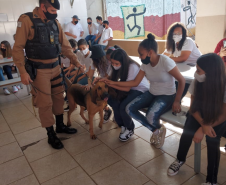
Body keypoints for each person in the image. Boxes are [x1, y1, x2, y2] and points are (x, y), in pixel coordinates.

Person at [13, 0, 85, 150]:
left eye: (56, 11)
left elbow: (65, 46)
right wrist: (22, 71)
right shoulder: (26, 20)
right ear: (43, 7)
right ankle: (50, 134)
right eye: (52, 10)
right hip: (39, 71)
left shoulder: (55, 23)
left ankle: (60, 126)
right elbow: (18, 48)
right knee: (45, 103)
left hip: (56, 67)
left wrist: (76, 61)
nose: (55, 14)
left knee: (59, 98)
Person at [103, 34, 185, 147]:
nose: (140, 57)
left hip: (167, 95)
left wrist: (177, 100)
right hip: (151, 93)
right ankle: (156, 130)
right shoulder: (145, 65)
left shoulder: (166, 62)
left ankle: (157, 129)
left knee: (150, 115)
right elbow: (135, 83)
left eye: (141, 54)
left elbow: (181, 80)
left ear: (150, 52)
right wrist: (113, 82)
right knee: (129, 108)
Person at [167, 53, 226, 185]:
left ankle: (211, 180)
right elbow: (193, 107)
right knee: (188, 130)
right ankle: (180, 159)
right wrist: (203, 125)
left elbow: (223, 114)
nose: (196, 73)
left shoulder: (224, 85)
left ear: (211, 73)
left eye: (198, 70)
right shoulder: (198, 81)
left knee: (212, 139)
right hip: (198, 113)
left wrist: (203, 127)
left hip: (218, 117)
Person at [101, 47, 150, 141]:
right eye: (112, 63)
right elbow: (112, 79)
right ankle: (122, 125)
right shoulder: (115, 66)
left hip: (140, 90)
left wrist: (112, 83)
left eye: (116, 64)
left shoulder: (132, 66)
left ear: (123, 62)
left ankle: (129, 128)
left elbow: (127, 88)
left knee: (124, 106)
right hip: (129, 89)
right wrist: (102, 79)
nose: (114, 65)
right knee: (113, 101)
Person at [163, 22, 201, 100]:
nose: (177, 35)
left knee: (184, 82)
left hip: (197, 66)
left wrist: (166, 59)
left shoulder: (188, 41)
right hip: (184, 66)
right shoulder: (172, 43)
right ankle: (174, 99)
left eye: (179, 33)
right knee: (175, 79)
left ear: (183, 33)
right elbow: (164, 56)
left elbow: (183, 58)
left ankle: (177, 100)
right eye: (174, 33)